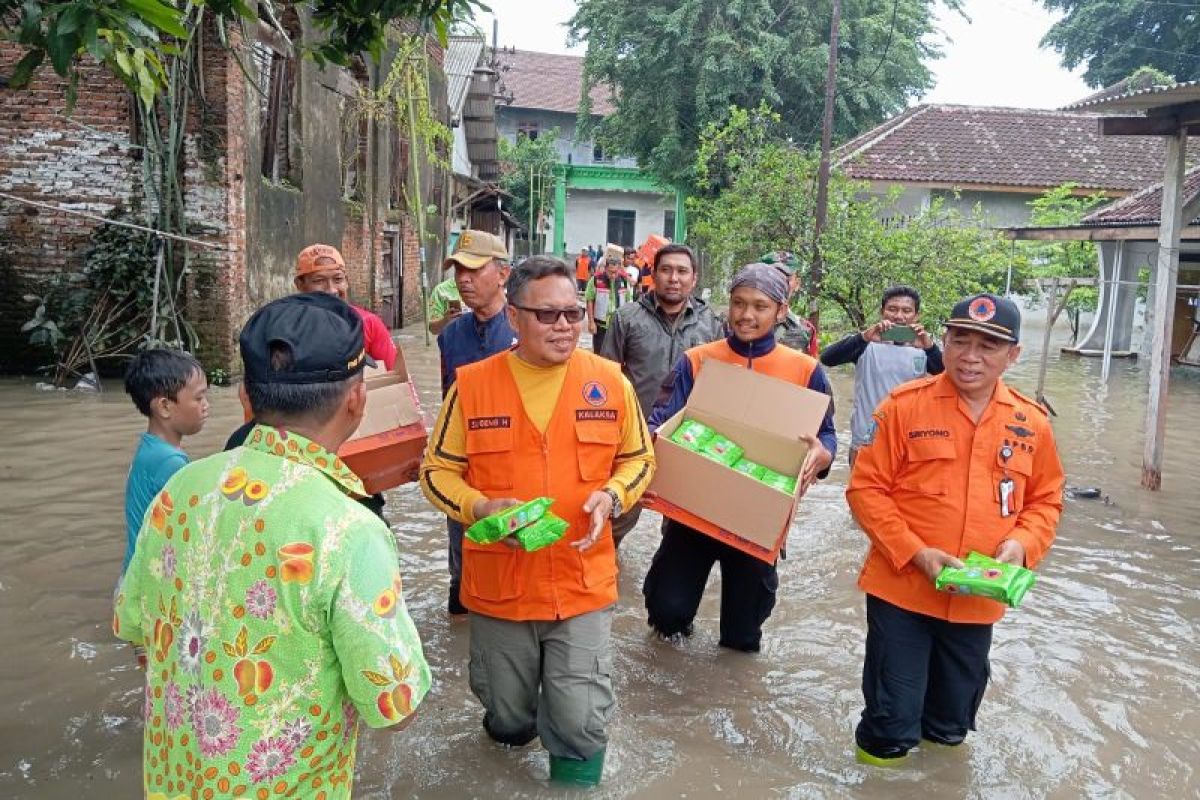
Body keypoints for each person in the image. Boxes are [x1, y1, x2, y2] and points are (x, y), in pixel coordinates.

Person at [115, 292, 431, 798]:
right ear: (357, 399)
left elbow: (135, 627)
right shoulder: (348, 528)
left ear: (247, 394)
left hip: (175, 784)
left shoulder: (179, 490)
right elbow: (394, 705)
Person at [419, 256, 655, 786]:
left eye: (573, 313)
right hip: (501, 587)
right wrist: (480, 508)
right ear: (515, 317)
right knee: (508, 722)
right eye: (548, 315)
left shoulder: (610, 382)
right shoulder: (473, 386)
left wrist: (612, 496)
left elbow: (640, 459)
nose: (565, 326)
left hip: (581, 582)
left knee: (579, 721)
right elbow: (435, 473)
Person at [846, 292, 1063, 766]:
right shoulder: (904, 406)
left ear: (1013, 355)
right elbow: (865, 490)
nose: (970, 356)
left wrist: (1021, 545)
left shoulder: (1032, 422)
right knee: (889, 726)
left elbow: (1046, 499)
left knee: (949, 729)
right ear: (942, 342)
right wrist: (917, 553)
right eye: (959, 340)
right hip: (902, 590)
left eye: (987, 346)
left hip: (977, 602)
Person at [643, 263, 837, 652]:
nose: (747, 315)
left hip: (758, 519)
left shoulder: (805, 370)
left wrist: (823, 454)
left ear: (782, 311)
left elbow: (827, 431)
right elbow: (662, 419)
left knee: (742, 635)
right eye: (738, 304)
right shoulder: (698, 360)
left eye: (760, 306)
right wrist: (655, 437)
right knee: (667, 614)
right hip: (692, 509)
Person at [599, 243, 724, 546]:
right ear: (652, 274)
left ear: (694, 279)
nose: (674, 278)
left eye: (682, 271)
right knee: (615, 518)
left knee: (682, 529)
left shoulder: (712, 324)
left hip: (688, 441)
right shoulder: (626, 318)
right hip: (633, 439)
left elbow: (721, 388)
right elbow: (606, 380)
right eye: (666, 270)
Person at [436, 229, 517, 615]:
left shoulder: (527, 332)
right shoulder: (451, 336)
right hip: (465, 469)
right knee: (463, 572)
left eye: (473, 269)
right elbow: (446, 402)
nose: (463, 279)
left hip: (513, 468)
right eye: (458, 271)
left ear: (502, 274)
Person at [820, 285, 945, 467]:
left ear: (916, 316)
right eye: (892, 309)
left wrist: (930, 347)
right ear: (882, 312)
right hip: (864, 440)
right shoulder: (866, 345)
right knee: (859, 493)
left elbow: (949, 378)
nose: (899, 316)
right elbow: (827, 358)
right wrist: (864, 337)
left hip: (907, 441)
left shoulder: (923, 350)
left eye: (906, 311)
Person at [121, 349, 209, 576]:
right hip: (147, 581)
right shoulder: (169, 462)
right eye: (198, 398)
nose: (206, 405)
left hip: (134, 573)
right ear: (164, 407)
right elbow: (190, 528)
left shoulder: (150, 448)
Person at [294, 243, 397, 370]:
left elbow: (396, 377)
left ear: (346, 281)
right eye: (319, 281)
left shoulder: (368, 324)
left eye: (338, 279)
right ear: (300, 285)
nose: (331, 290)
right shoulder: (286, 328)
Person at [760, 250, 819, 357]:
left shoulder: (806, 329)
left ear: (797, 284)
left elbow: (811, 370)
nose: (780, 283)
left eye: (787, 278)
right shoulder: (737, 323)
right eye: (773, 276)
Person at [585, 248, 634, 355]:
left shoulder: (624, 281)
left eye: (615, 272)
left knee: (617, 354)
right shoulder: (596, 280)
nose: (613, 275)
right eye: (610, 272)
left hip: (618, 325)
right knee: (599, 354)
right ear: (605, 268)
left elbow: (629, 302)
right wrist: (591, 322)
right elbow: (589, 300)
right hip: (601, 325)